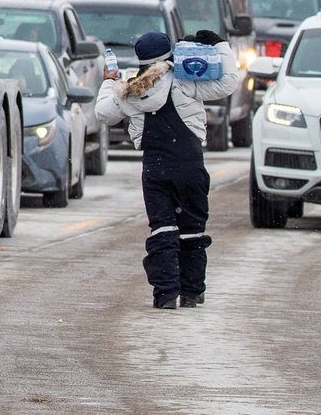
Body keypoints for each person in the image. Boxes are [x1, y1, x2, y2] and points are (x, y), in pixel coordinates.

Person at [95, 29, 240, 310]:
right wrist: (219, 44)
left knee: (162, 229)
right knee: (192, 229)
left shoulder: (129, 91)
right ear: (170, 56)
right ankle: (191, 291)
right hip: (190, 165)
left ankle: (165, 294)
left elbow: (103, 114)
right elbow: (229, 81)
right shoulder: (185, 82)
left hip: (155, 168)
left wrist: (109, 81)